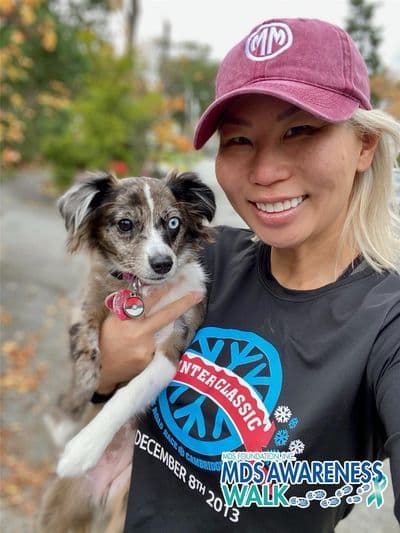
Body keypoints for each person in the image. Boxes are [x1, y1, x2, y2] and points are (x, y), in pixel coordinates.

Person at [97, 18, 400, 532]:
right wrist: (108, 368)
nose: (264, 172)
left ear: (365, 144)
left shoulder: (385, 322)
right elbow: (104, 388)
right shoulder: (201, 261)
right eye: (238, 139)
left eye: (299, 130)